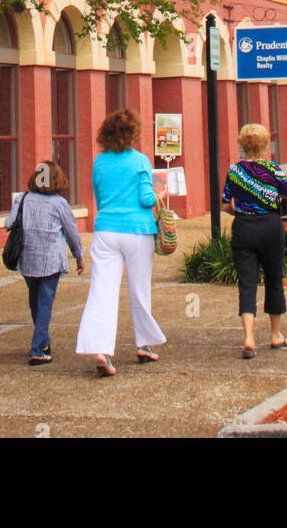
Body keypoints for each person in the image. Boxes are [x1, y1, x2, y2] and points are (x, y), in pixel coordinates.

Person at [76, 108, 166, 376]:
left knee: (102, 290)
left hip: (106, 229)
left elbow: (99, 196)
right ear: (133, 134)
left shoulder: (99, 162)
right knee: (140, 290)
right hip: (137, 230)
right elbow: (146, 199)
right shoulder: (140, 161)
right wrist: (160, 194)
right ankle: (144, 344)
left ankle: (101, 350)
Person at [222, 122, 287, 359]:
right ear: (265, 145)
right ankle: (275, 335)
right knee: (274, 279)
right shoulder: (274, 170)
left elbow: (226, 205)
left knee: (247, 284)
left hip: (244, 228)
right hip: (270, 227)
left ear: (242, 145)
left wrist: (243, 213)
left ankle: (248, 338)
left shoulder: (235, 171)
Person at [5, 159, 84, 366]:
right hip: (51, 260)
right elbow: (72, 233)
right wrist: (78, 255)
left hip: (27, 258)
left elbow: (7, 223)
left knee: (35, 302)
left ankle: (43, 340)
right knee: (45, 303)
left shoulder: (22, 199)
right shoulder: (59, 204)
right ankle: (37, 348)